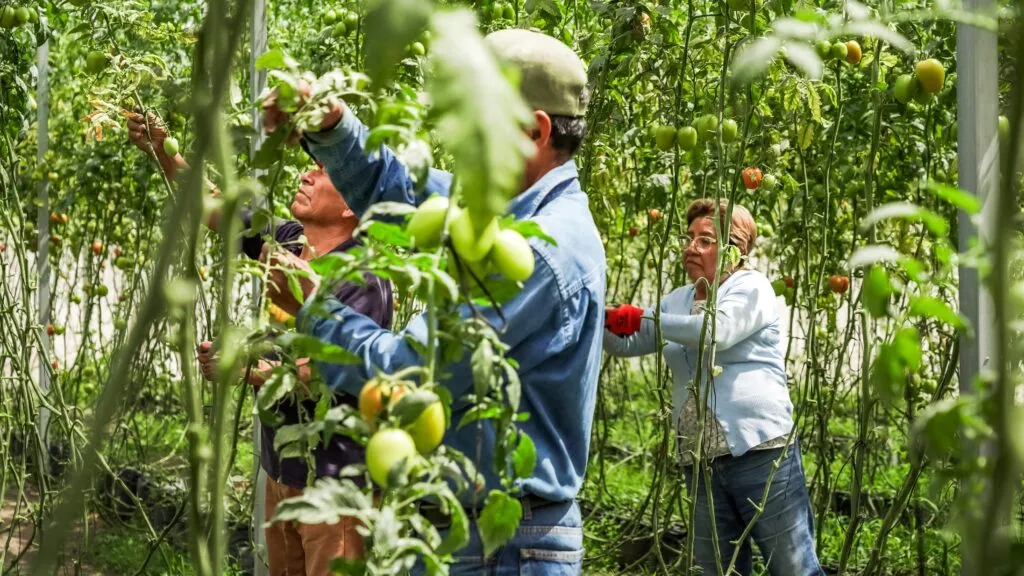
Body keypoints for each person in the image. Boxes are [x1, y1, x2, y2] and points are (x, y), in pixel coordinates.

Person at [258, 29, 605, 574]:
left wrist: (314, 306)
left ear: (533, 132)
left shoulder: (538, 248)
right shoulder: (501, 211)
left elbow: (408, 376)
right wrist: (330, 124)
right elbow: (403, 191)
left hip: (506, 549)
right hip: (469, 532)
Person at [127, 114, 393, 576]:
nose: (306, 173)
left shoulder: (363, 279)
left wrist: (244, 371)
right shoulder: (290, 241)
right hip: (282, 470)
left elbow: (326, 374)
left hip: (334, 487)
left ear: (353, 200)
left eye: (324, 170)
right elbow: (218, 207)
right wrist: (164, 155)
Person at [602, 198, 823, 576]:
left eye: (705, 240)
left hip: (761, 454)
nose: (691, 247)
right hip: (700, 461)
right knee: (717, 570)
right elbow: (631, 342)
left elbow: (714, 331)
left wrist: (642, 316)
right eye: (690, 238)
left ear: (735, 249)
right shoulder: (679, 299)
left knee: (793, 568)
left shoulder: (751, 288)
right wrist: (597, 318)